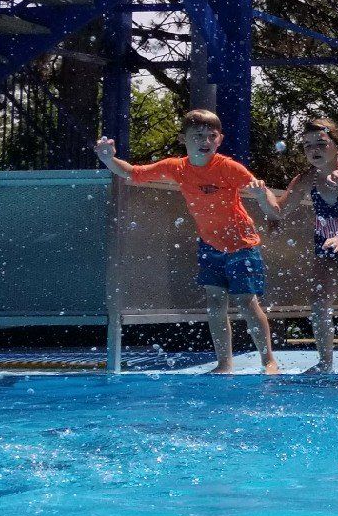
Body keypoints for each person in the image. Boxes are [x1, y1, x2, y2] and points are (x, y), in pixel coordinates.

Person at [93, 110, 280, 375]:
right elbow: (133, 173)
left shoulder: (227, 167)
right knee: (215, 303)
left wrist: (264, 200)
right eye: (198, 136)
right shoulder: (176, 168)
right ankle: (224, 364)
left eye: (211, 136)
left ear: (220, 139)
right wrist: (108, 159)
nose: (205, 141)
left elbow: (266, 198)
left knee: (246, 302)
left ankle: (268, 360)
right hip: (210, 245)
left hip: (242, 244)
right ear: (183, 139)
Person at [266, 118, 338, 375]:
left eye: (320, 143)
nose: (313, 150)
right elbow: (280, 209)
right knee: (319, 302)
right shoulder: (307, 179)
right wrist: (268, 208)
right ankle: (325, 362)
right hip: (326, 245)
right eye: (307, 145)